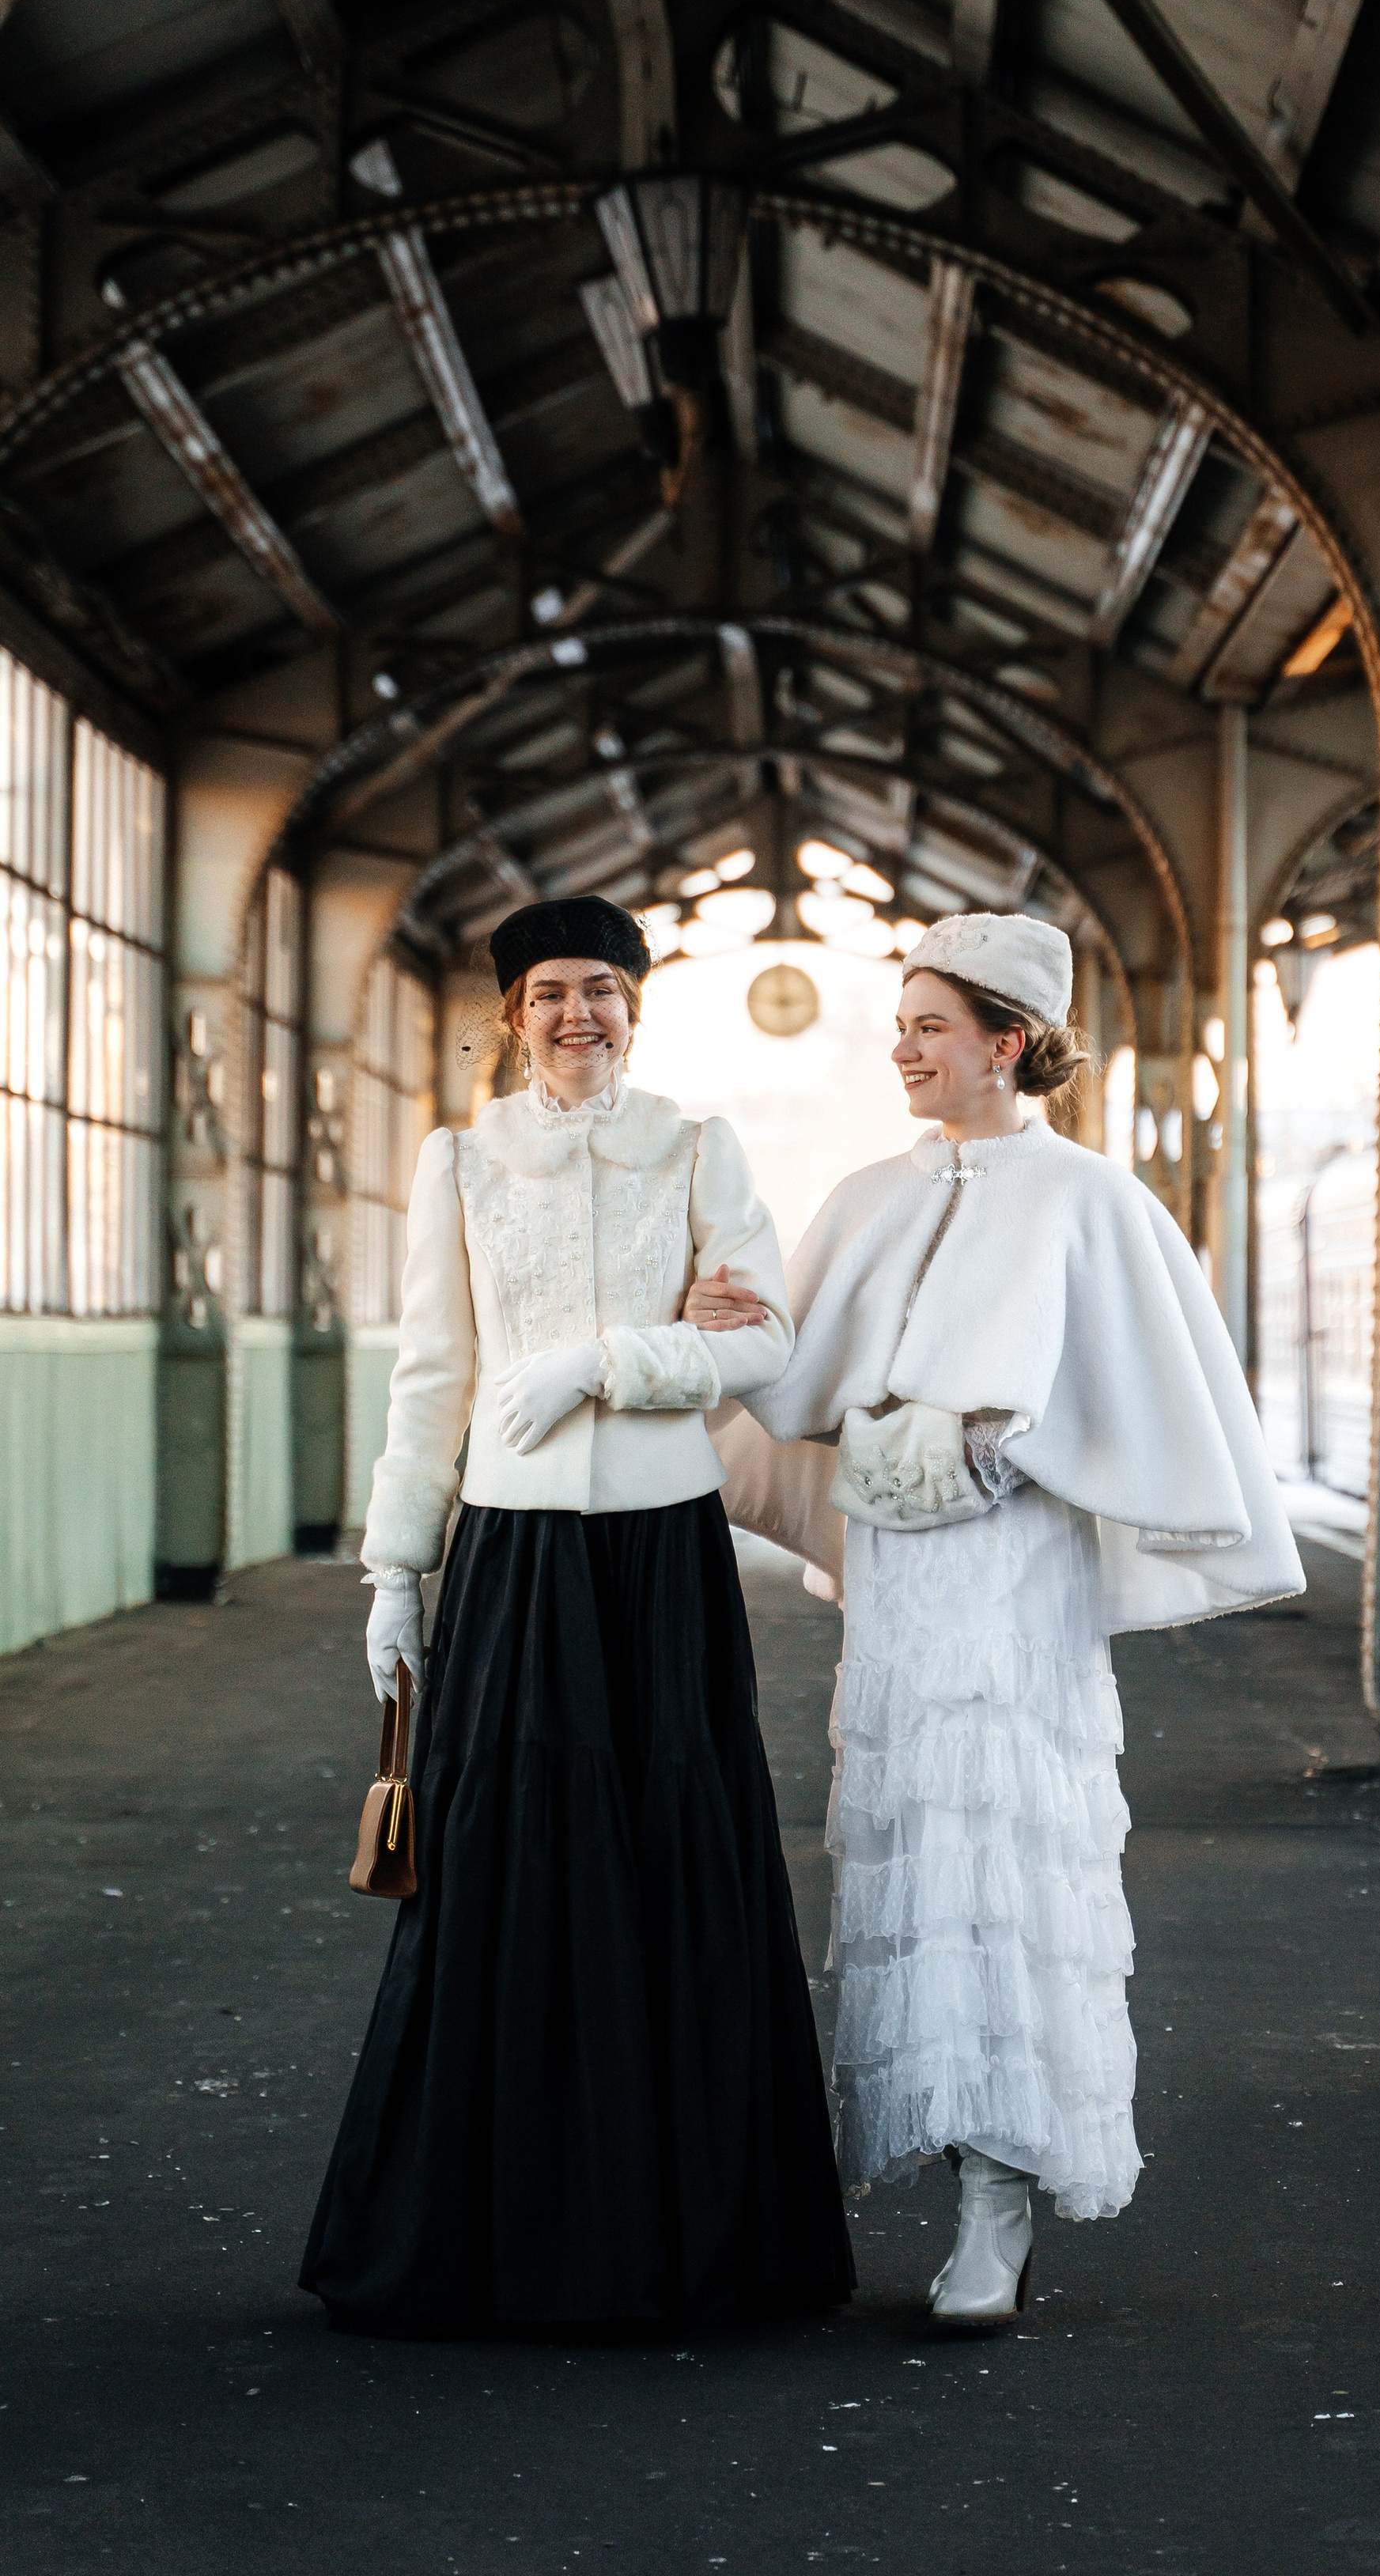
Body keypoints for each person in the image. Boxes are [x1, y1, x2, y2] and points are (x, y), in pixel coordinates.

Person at [700, 911, 1302, 2328]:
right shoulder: (866, 1194)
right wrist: (722, 1317)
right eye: (900, 1027)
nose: (901, 1051)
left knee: (1011, 1861)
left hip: (1018, 1582)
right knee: (916, 1854)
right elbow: (793, 1374)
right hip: (900, 1586)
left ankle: (999, 2200)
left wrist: (1009, 1443)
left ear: (1007, 1041)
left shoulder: (1093, 1202)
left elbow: (1133, 1398)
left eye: (929, 1027)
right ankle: (952, 2171)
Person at [300, 895, 854, 2336]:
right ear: (511, 1014)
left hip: (664, 1550)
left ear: (634, 1007)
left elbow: (766, 1341)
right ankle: (498, 2238)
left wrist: (605, 1361)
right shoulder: (459, 1161)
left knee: (676, 1847)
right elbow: (433, 1375)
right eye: (549, 992)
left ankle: (685, 2235)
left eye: (602, 989)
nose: (576, 1015)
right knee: (504, 1857)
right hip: (514, 1551)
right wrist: (395, 1569)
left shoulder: (699, 1148)